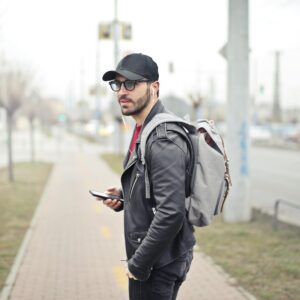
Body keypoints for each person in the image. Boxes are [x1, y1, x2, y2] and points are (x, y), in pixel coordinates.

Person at [101, 53, 195, 300]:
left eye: (131, 83)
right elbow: (155, 189)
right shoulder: (144, 128)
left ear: (155, 87)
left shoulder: (162, 138)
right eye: (118, 84)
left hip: (157, 262)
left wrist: (138, 264)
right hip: (157, 256)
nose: (122, 91)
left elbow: (171, 212)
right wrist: (124, 198)